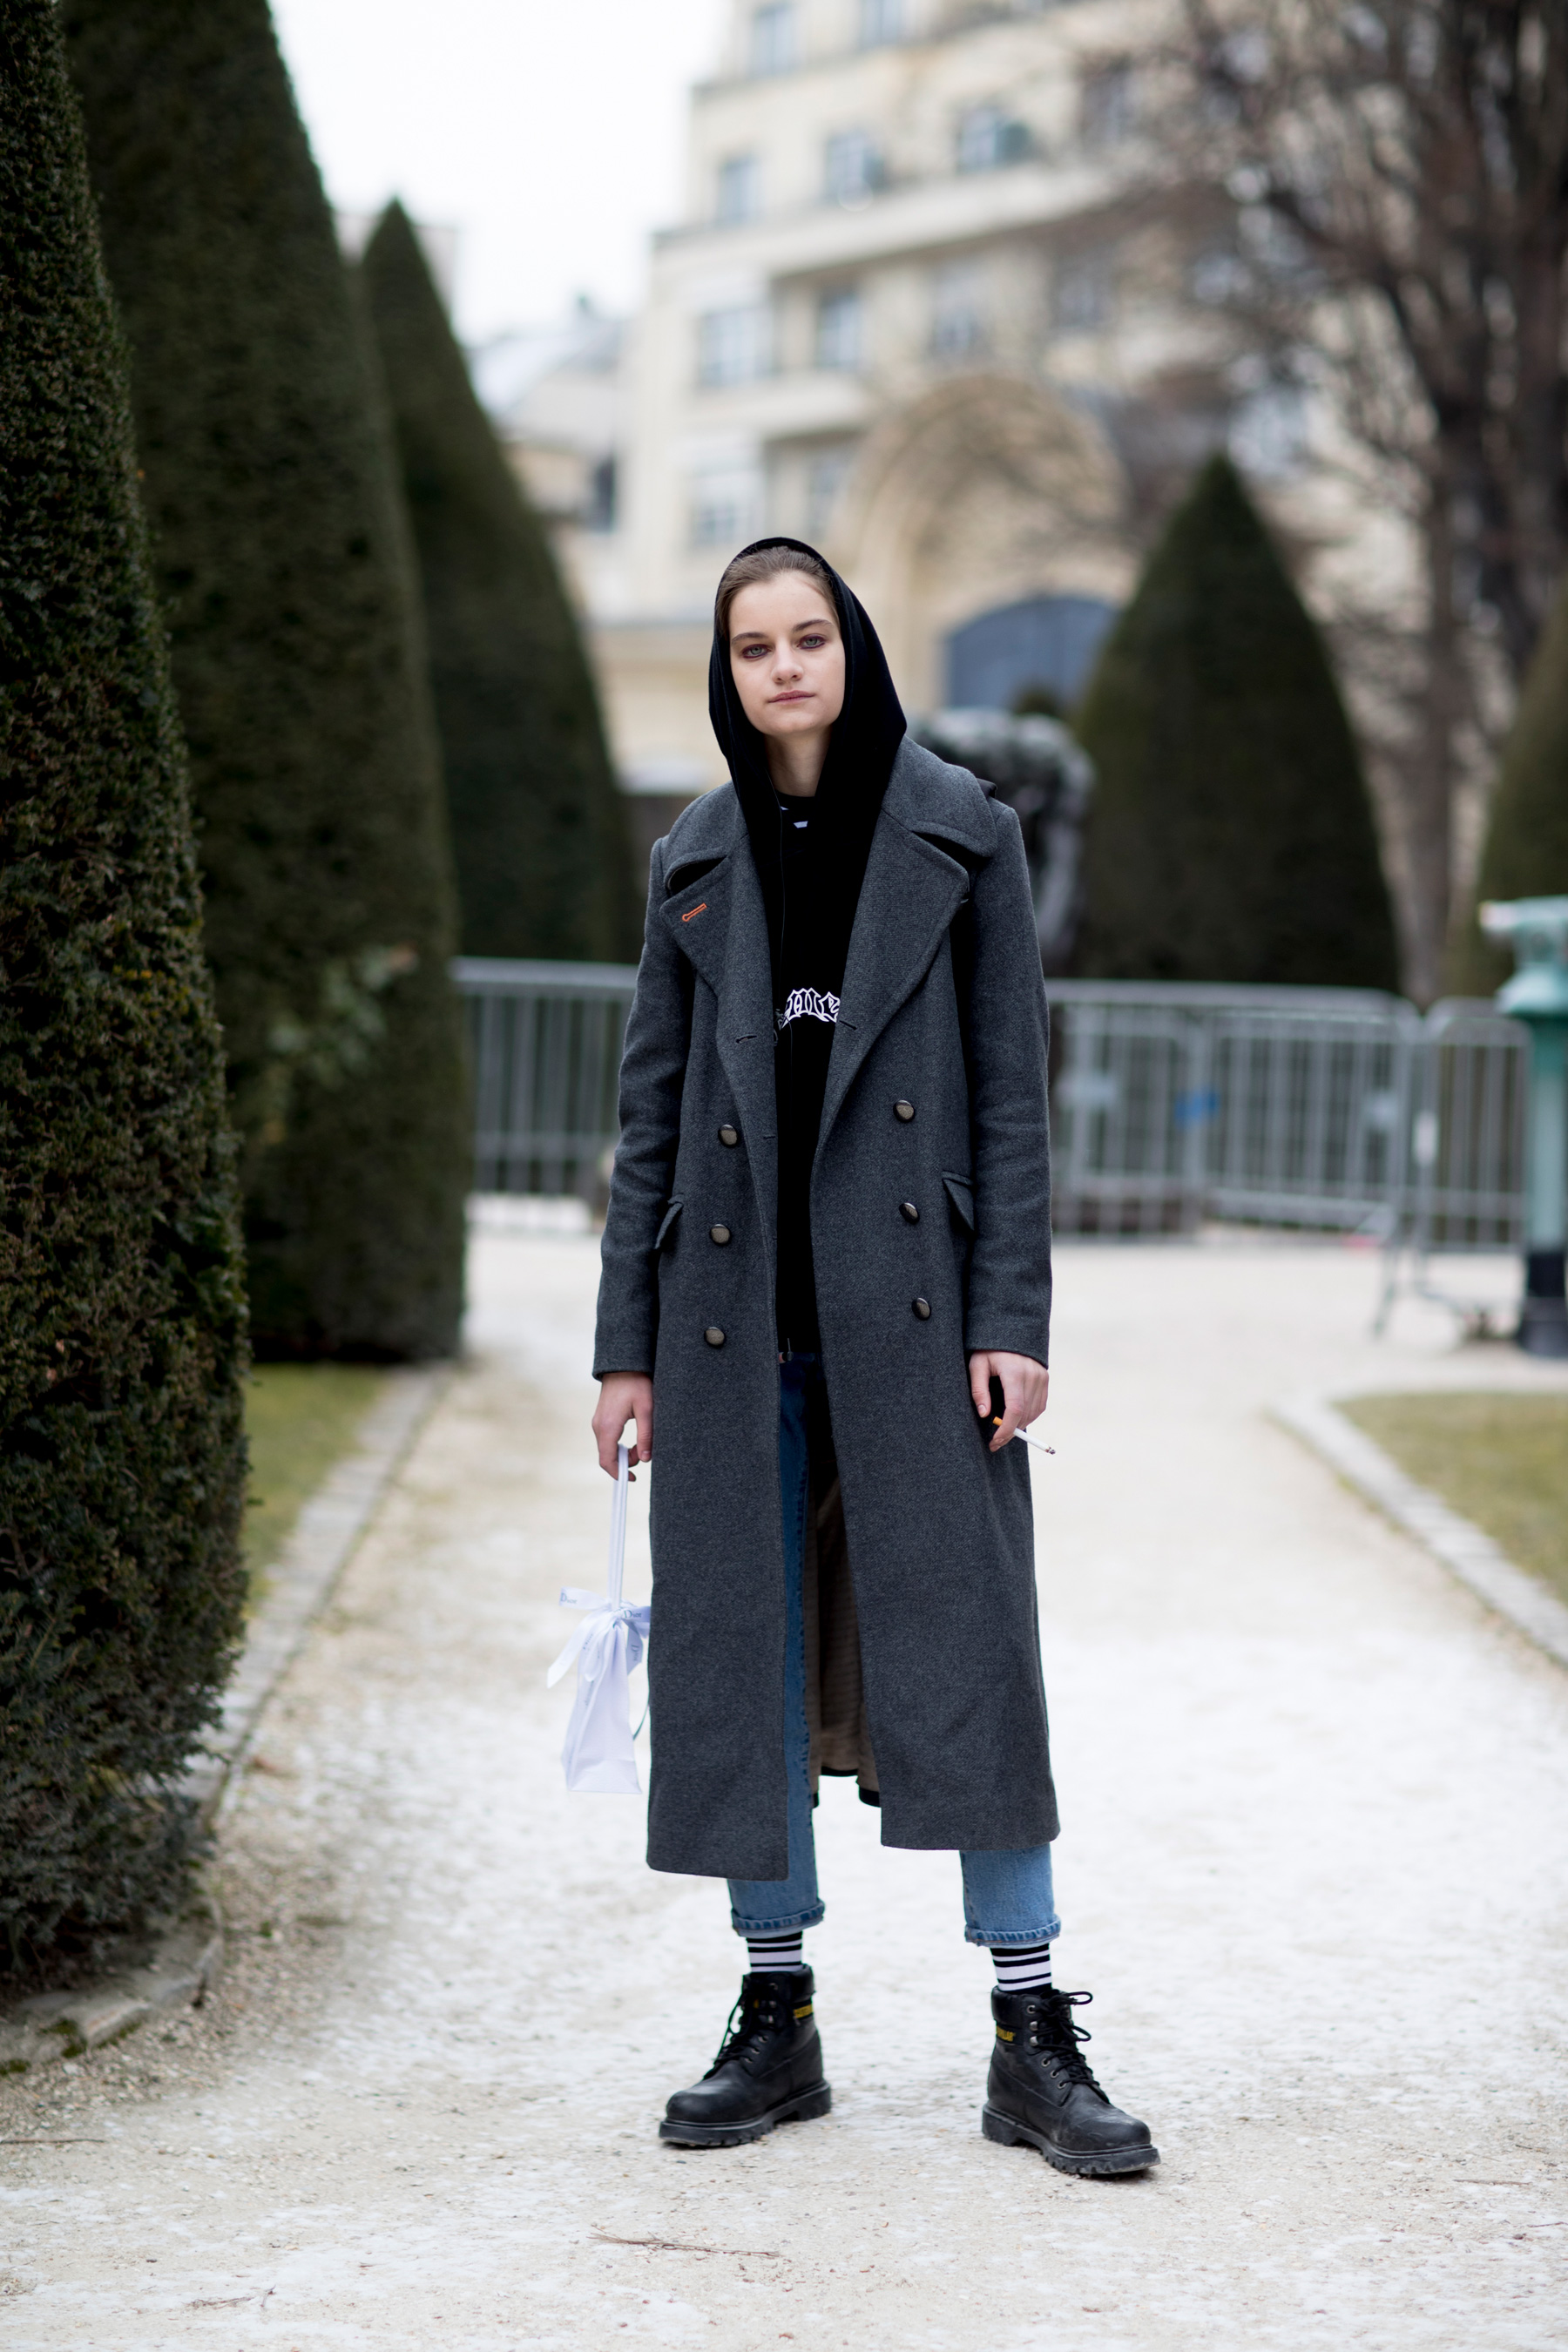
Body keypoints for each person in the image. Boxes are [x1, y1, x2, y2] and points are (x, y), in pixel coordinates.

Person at [591, 538, 1155, 2177]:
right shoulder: (694, 856)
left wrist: (1011, 1317)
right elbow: (647, 1116)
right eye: (753, 645)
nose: (785, 667)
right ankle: (776, 2015)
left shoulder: (963, 830)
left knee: (975, 1653)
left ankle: (1031, 2030)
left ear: (852, 648)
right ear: (728, 672)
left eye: (809, 637)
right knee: (740, 1665)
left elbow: (1011, 1096)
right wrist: (624, 1350)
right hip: (727, 1329)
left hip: (916, 1323)